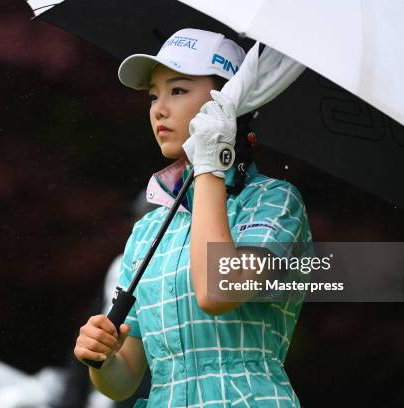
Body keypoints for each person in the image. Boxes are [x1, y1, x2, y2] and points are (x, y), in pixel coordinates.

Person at [73, 28, 313, 407]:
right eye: (154, 95)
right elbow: (125, 380)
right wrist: (101, 358)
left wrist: (209, 166)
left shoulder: (276, 201)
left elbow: (217, 289)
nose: (159, 109)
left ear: (231, 101)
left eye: (178, 90)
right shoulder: (148, 230)